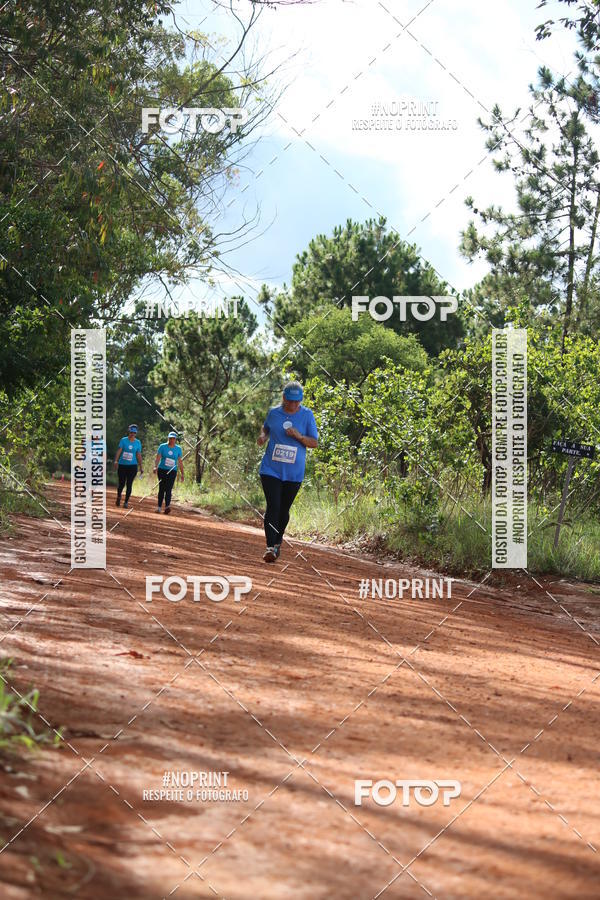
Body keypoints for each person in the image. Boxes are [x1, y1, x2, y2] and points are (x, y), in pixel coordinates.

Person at [257, 381, 318, 562]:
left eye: (296, 401)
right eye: (289, 400)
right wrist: (263, 436)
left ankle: (277, 543)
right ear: (283, 397)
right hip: (271, 469)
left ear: (301, 400)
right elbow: (266, 428)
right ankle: (270, 547)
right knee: (273, 506)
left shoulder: (307, 416)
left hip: (294, 473)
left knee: (284, 509)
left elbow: (314, 442)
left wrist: (298, 436)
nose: (292, 404)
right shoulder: (274, 413)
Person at [153, 431, 184, 514]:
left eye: (173, 438)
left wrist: (182, 473)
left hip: (172, 471)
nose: (172, 440)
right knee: (162, 488)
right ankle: (159, 507)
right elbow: (158, 457)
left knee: (169, 489)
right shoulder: (162, 447)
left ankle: (167, 506)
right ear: (168, 438)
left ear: (176, 439)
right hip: (162, 470)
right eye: (170, 438)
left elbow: (180, 461)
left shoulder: (178, 449)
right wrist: (155, 467)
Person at [114, 425, 143, 508]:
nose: (132, 434)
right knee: (121, 483)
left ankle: (126, 502)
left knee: (129, 484)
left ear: (136, 433)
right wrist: (116, 461)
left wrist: (141, 466)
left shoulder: (138, 442)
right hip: (122, 465)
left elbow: (138, 454)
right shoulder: (123, 440)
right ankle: (119, 496)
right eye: (131, 432)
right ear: (129, 432)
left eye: (134, 433)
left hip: (132, 466)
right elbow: (119, 451)